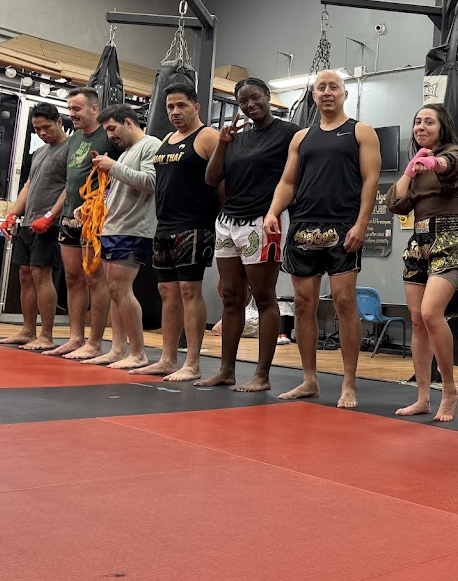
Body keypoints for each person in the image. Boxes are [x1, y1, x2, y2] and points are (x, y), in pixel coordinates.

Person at [264, 69, 380, 408]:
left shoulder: (360, 131)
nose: (327, 92)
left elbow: (371, 181)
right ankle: (309, 380)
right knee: (303, 304)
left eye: (333, 87)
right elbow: (288, 182)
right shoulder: (301, 137)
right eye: (321, 88)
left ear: (345, 93)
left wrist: (361, 224)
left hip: (343, 226)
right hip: (303, 226)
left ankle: (349, 384)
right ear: (313, 96)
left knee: (344, 302)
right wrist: (273, 212)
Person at [198, 78, 299, 392]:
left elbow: (297, 176)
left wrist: (280, 210)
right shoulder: (236, 139)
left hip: (263, 219)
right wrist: (223, 144)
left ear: (267, 96)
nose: (250, 105)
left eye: (255, 98)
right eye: (243, 101)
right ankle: (226, 370)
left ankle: (262, 375)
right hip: (228, 220)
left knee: (264, 296)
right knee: (231, 296)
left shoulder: (288, 132)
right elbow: (211, 178)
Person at [386, 104, 458, 422]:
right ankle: (422, 397)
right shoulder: (416, 165)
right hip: (420, 239)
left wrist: (434, 162)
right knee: (416, 319)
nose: (421, 126)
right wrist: (410, 170)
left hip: (450, 236)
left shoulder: (456, 154)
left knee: (430, 311)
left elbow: (450, 166)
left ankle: (449, 389)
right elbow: (395, 202)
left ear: (442, 127)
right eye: (417, 122)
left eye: (429, 122)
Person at [130, 84, 220, 381]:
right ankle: (168, 359)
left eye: (181, 105)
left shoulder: (207, 136)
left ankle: (192, 362)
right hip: (165, 224)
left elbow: (224, 179)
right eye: (170, 106)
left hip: (194, 223)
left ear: (196, 107)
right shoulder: (168, 139)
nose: (175, 111)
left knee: (189, 290)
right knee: (167, 291)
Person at [78, 104, 161, 369]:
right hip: (115, 227)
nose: (110, 135)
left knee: (120, 289)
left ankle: (138, 353)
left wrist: (112, 166)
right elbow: (120, 190)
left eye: (112, 128)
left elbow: (151, 183)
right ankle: (117, 349)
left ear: (128, 122)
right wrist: (92, 204)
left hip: (133, 229)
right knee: (115, 291)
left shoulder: (151, 145)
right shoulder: (126, 153)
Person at [45, 88, 122, 359]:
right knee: (72, 277)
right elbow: (71, 180)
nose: (72, 114)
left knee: (94, 278)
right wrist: (53, 213)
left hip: (95, 217)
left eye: (77, 109)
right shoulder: (75, 138)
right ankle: (75, 337)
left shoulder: (109, 137)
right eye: (69, 109)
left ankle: (94, 342)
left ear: (94, 109)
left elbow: (120, 175)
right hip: (70, 215)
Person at [0, 104, 69, 350]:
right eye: (37, 129)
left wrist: (49, 216)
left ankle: (46, 335)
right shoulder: (39, 152)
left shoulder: (70, 149)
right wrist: (12, 215)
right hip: (28, 222)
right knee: (24, 274)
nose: (42, 133)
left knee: (40, 274)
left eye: (46, 127)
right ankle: (28, 331)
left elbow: (71, 187)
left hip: (50, 224)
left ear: (59, 122)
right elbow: (28, 186)